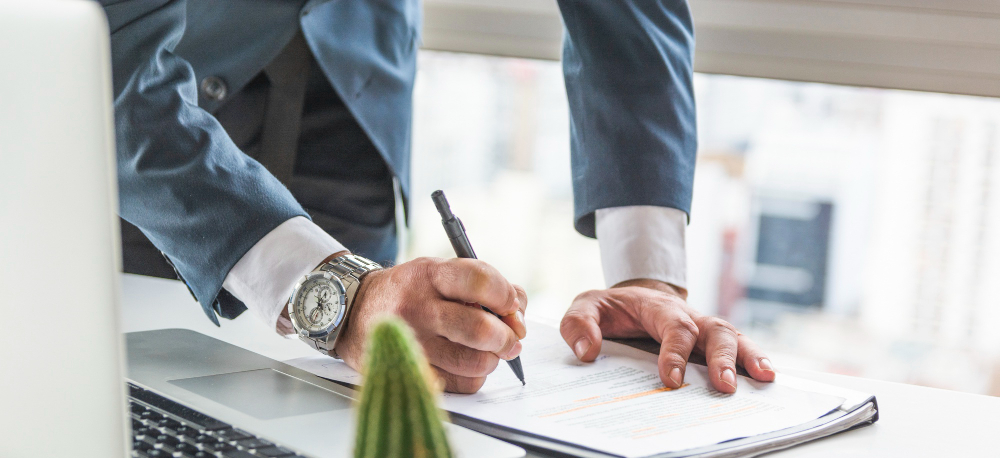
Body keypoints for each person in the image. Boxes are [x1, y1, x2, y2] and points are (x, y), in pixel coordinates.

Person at [101, 0, 775, 394]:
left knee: (367, 432)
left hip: (354, 104)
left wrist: (648, 275)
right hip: (146, 119)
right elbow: (105, 66)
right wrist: (342, 294)